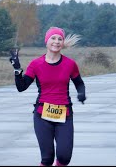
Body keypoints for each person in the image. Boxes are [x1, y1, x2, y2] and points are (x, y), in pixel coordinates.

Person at [9, 27, 86, 166]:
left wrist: (81, 94)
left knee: (64, 157)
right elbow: (22, 87)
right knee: (47, 158)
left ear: (62, 43)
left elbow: (79, 83)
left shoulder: (70, 64)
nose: (56, 42)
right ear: (47, 41)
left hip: (65, 115)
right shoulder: (36, 64)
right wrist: (17, 69)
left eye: (60, 39)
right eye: (53, 38)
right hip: (42, 114)